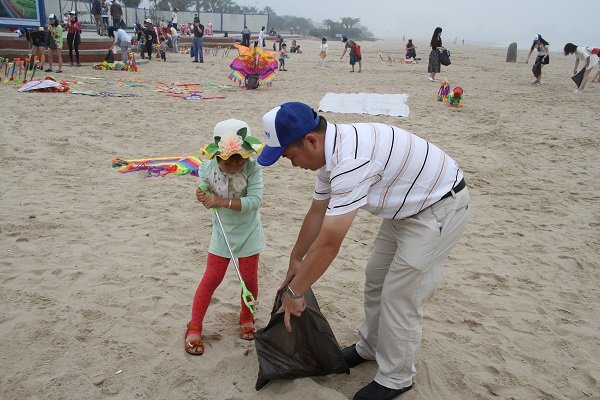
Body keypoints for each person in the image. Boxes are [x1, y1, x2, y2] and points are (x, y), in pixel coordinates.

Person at [256, 102, 471, 400]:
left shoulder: (351, 161)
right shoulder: (330, 156)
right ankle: (369, 348)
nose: (293, 164)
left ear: (311, 140)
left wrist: (295, 295)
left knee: (401, 293)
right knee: (376, 278)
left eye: (290, 156)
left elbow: (330, 243)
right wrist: (296, 258)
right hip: (405, 207)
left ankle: (397, 377)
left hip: (438, 206)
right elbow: (318, 212)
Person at [185, 119, 265, 356]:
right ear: (218, 156)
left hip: (249, 232)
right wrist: (202, 195)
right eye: (230, 160)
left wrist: (222, 201)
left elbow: (255, 201)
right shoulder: (207, 167)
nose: (236, 164)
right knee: (211, 278)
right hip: (222, 232)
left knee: (249, 279)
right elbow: (205, 189)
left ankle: (246, 317)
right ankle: (195, 326)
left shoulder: (253, 168)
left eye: (241, 158)